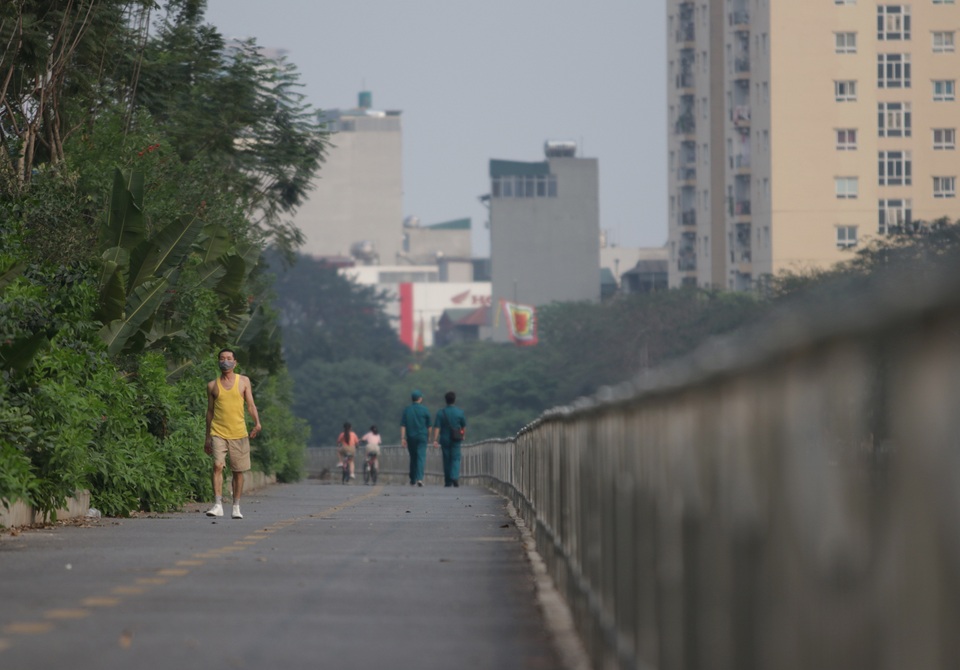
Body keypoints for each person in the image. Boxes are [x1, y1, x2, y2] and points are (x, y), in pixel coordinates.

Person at [204, 348, 261, 519]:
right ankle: (218, 504)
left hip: (239, 433)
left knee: (238, 471)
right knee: (217, 465)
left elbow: (250, 405)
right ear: (218, 362)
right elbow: (210, 412)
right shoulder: (212, 386)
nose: (225, 361)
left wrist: (257, 423)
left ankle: (236, 506)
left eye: (229, 358)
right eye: (222, 358)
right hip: (218, 432)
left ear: (235, 363)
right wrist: (207, 437)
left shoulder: (243, 382)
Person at [431, 391, 467, 487]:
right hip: (456, 438)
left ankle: (448, 481)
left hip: (444, 439)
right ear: (454, 400)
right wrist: (463, 435)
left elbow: (437, 427)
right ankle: (454, 476)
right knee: (455, 458)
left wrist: (435, 440)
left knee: (446, 459)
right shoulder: (460, 412)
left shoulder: (441, 412)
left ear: (446, 400)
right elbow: (463, 426)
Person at [400, 390, 431, 486]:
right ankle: (420, 478)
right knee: (421, 457)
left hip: (411, 437)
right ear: (420, 398)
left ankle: (413, 478)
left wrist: (403, 438)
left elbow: (403, 425)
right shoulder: (425, 410)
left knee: (413, 457)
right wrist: (429, 437)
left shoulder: (407, 410)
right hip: (422, 436)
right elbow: (429, 425)